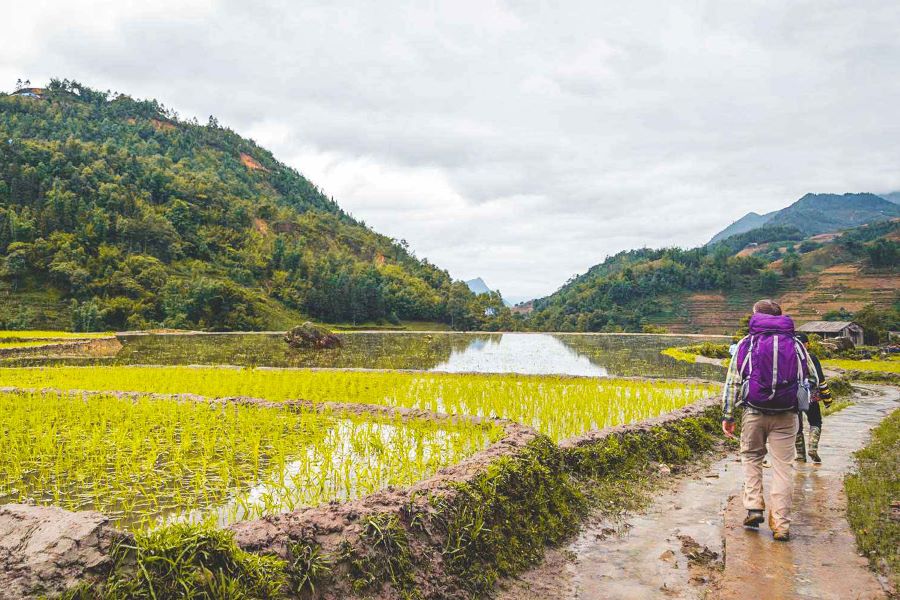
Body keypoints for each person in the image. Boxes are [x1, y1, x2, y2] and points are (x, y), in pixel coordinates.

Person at [721, 299, 818, 542]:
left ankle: (754, 507)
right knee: (783, 467)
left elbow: (732, 382)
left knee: (752, 456)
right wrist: (798, 403)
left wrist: (728, 415)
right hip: (787, 415)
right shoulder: (796, 345)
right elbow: (812, 379)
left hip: (754, 412)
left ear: (755, 315)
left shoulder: (746, 343)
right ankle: (782, 525)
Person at [794, 333, 833, 463]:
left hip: (792, 395)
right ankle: (813, 447)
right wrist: (827, 398)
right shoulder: (811, 358)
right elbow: (819, 379)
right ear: (807, 344)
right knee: (815, 421)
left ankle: (800, 455)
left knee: (797, 425)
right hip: (810, 395)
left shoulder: (788, 357)